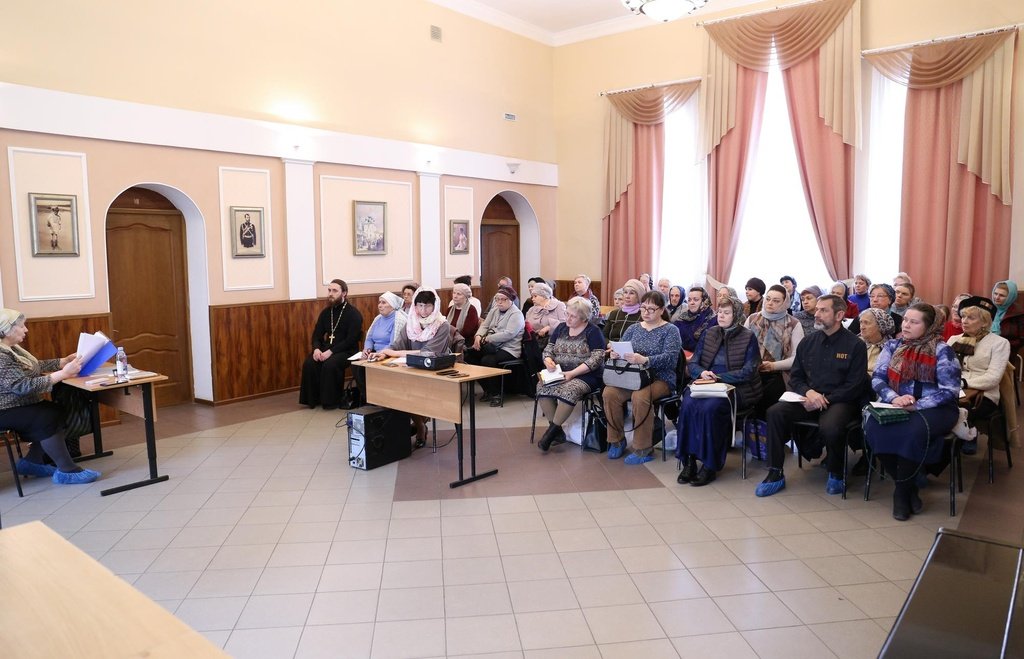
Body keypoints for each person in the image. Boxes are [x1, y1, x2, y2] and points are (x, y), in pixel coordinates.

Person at [755, 295, 868, 497]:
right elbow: (796, 377)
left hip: (840, 400)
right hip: (809, 397)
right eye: (817, 309)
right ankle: (775, 472)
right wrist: (809, 393)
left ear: (839, 315)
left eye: (823, 310)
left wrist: (824, 399)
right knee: (775, 412)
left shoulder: (855, 345)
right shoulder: (808, 342)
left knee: (831, 425)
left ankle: (836, 473)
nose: (817, 314)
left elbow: (855, 384)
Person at [865, 303, 961, 520]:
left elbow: (950, 391)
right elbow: (878, 378)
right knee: (873, 427)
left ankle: (900, 494)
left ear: (929, 326)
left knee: (910, 433)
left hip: (936, 408)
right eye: (905, 320)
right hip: (897, 402)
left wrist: (917, 405)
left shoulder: (942, 350)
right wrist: (894, 397)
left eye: (914, 322)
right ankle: (909, 487)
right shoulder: (892, 346)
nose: (906, 325)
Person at [0, 309, 100, 484]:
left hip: (17, 405)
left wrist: (62, 362)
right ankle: (67, 471)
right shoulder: (1, 356)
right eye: (21, 326)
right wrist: (62, 374)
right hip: (5, 409)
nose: (26, 330)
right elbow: (21, 386)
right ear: (7, 330)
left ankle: (32, 462)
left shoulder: (11, 349)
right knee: (47, 416)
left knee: (56, 410)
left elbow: (33, 367)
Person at [675, 296, 762, 486]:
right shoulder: (710, 333)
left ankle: (710, 465)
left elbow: (749, 371)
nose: (721, 316)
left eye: (726, 313)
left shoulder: (748, 337)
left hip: (735, 388)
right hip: (707, 382)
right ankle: (689, 460)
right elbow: (693, 363)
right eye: (720, 312)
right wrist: (702, 373)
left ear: (736, 315)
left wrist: (719, 378)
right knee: (688, 404)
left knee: (710, 408)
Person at [604, 291, 682, 464]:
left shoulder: (671, 330)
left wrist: (646, 360)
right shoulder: (633, 328)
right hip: (633, 376)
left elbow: (671, 359)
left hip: (661, 378)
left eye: (651, 309)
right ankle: (616, 440)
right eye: (643, 308)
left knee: (640, 397)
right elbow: (622, 348)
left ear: (661, 310)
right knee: (609, 393)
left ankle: (643, 447)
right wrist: (616, 354)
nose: (646, 312)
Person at [371, 288, 452, 447]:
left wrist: (395, 353)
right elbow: (397, 344)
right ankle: (420, 424)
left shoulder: (442, 325)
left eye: (427, 306)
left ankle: (420, 425)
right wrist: (384, 353)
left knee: (409, 391)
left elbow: (428, 352)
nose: (423, 310)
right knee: (399, 391)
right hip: (413, 368)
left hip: (435, 371)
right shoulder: (412, 322)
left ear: (435, 306)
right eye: (420, 305)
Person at [536, 297, 606, 451]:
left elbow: (597, 358)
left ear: (584, 318)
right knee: (542, 386)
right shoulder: (561, 328)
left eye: (573, 316)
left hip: (587, 375)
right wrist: (548, 360)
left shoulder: (593, 331)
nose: (567, 318)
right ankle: (557, 432)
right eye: (567, 314)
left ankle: (550, 434)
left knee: (570, 390)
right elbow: (549, 348)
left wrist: (573, 373)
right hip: (560, 372)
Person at [947, 296, 1010, 455]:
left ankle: (964, 435)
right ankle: (946, 443)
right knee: (936, 405)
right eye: (963, 316)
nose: (964, 321)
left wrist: (963, 383)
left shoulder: (999, 343)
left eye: (971, 317)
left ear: (984, 321)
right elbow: (943, 369)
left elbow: (993, 378)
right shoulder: (954, 339)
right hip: (953, 389)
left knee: (953, 409)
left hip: (984, 394)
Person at [299, 279, 363, 410]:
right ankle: (313, 399)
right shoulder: (326, 312)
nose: (330, 294)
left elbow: (351, 340)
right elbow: (317, 335)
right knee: (310, 363)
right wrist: (316, 349)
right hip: (327, 348)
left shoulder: (354, 314)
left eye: (334, 291)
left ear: (344, 293)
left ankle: (330, 401)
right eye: (329, 290)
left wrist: (331, 352)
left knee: (330, 364)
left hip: (347, 351)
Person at [745, 285, 804, 417]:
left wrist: (773, 366)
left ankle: (764, 427)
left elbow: (797, 358)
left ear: (785, 303)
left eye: (776, 301)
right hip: (752, 371)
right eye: (768, 299)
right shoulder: (752, 319)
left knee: (767, 395)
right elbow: (742, 348)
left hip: (780, 373)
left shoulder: (793, 323)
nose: (770, 303)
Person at [466, 285, 525, 406]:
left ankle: (496, 393)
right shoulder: (494, 310)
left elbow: (509, 334)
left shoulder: (516, 314)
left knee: (487, 360)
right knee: (469, 355)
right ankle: (487, 388)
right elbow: (484, 325)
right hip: (491, 345)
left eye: (503, 299)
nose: (499, 302)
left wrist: (488, 338)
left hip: (509, 348)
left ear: (511, 300)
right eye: (497, 299)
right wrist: (478, 336)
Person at [671, 287, 716, 352]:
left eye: (696, 300)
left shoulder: (712, 319)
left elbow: (707, 345)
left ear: (704, 301)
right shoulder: (682, 317)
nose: (691, 303)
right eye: (689, 300)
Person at [524, 282, 566, 349]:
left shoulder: (559, 306)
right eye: (532, 296)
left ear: (544, 296)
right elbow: (526, 325)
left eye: (535, 296)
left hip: (554, 342)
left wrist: (549, 327)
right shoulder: (531, 310)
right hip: (534, 342)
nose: (532, 299)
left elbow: (564, 325)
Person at [603, 279, 644, 344]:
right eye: (625, 292)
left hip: (632, 349)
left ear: (639, 296)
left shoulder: (643, 315)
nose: (627, 296)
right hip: (611, 348)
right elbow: (603, 336)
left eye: (632, 293)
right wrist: (609, 345)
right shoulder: (614, 314)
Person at [858, 307, 896, 378]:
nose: (862, 327)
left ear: (880, 325)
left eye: (866, 323)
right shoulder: (855, 343)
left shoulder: (891, 348)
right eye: (861, 322)